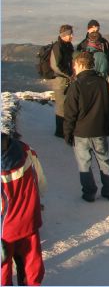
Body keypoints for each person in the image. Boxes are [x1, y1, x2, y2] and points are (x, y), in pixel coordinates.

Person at [1, 102, 47, 286]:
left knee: (3, 266)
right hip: (29, 219)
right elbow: (41, 181)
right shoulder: (26, 150)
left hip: (5, 227)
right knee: (31, 262)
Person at [63, 52, 109, 202]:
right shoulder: (102, 83)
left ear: (81, 65)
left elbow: (70, 113)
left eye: (75, 65)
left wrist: (67, 133)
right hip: (99, 130)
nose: (74, 67)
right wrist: (107, 126)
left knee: (84, 164)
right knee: (104, 161)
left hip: (80, 132)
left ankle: (89, 193)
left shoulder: (76, 85)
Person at [50, 24, 74, 138]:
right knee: (61, 107)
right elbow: (56, 66)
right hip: (60, 82)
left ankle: (66, 130)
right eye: (70, 34)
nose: (72, 36)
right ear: (64, 35)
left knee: (67, 106)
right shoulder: (58, 46)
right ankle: (60, 132)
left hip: (67, 81)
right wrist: (69, 74)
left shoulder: (68, 45)